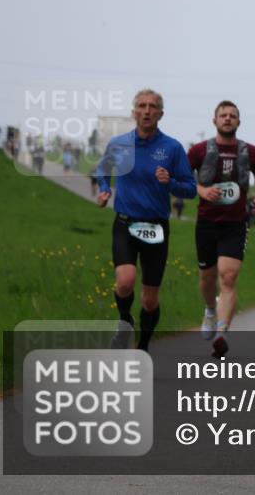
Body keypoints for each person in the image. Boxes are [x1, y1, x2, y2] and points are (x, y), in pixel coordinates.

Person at [95, 89, 197, 351]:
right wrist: (105, 188)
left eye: (153, 106)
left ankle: (143, 346)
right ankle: (124, 322)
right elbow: (103, 170)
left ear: (161, 114)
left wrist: (170, 182)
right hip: (125, 223)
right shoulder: (119, 144)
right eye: (142, 106)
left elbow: (190, 188)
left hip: (156, 228)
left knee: (150, 300)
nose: (147, 110)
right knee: (126, 280)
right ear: (134, 112)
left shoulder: (172, 148)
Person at [187, 100, 255, 358]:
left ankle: (222, 333)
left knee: (229, 276)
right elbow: (184, 176)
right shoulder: (200, 150)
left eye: (233, 115)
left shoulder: (250, 151)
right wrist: (201, 190)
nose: (228, 119)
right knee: (207, 279)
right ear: (215, 120)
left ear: (239, 122)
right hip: (207, 222)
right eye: (223, 115)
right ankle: (211, 310)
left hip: (236, 222)